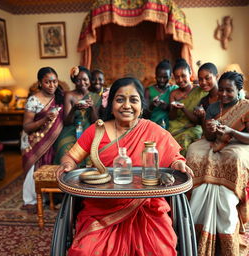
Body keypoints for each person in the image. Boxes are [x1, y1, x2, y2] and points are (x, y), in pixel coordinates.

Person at [58, 77, 193, 256]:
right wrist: (67, 165)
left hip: (146, 205)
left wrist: (179, 164)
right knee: (86, 251)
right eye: (120, 99)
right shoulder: (96, 130)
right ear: (111, 104)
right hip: (101, 206)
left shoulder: (152, 130)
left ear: (142, 105)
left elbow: (174, 158)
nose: (126, 105)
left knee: (160, 248)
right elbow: (71, 158)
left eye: (133, 100)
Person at [186, 71, 249, 256]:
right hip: (217, 142)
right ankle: (198, 195)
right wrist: (210, 128)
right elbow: (208, 137)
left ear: (239, 90)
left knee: (235, 157)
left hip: (240, 144)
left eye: (229, 90)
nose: (223, 94)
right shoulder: (213, 107)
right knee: (193, 150)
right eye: (221, 90)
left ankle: (230, 194)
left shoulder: (246, 107)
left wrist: (231, 131)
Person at [20, 67, 64, 213]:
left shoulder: (60, 97)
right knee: (33, 169)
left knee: (50, 165)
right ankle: (31, 200)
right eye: (47, 82)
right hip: (34, 140)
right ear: (40, 83)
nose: (52, 85)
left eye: (54, 81)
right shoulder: (33, 100)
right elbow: (27, 127)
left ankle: (47, 197)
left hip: (52, 139)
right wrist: (44, 119)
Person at [53, 66, 101, 165]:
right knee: (64, 146)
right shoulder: (69, 95)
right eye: (78, 80)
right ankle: (67, 175)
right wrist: (74, 109)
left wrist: (92, 107)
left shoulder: (96, 97)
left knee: (94, 148)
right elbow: (67, 122)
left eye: (85, 79)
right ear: (74, 81)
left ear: (89, 80)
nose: (82, 83)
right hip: (72, 128)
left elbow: (95, 121)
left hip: (89, 128)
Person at [168, 58, 207, 156]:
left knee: (185, 139)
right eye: (177, 77)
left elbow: (197, 120)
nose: (180, 80)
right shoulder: (174, 93)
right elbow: (172, 117)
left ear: (190, 73)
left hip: (194, 127)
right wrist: (174, 108)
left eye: (183, 76)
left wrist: (183, 108)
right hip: (176, 127)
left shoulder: (199, 91)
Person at [144, 59, 178, 129]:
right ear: (155, 76)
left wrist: (167, 107)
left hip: (172, 126)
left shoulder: (175, 89)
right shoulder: (148, 91)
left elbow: (179, 112)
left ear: (171, 76)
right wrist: (151, 106)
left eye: (165, 77)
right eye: (159, 77)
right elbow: (144, 115)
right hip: (153, 126)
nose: (162, 80)